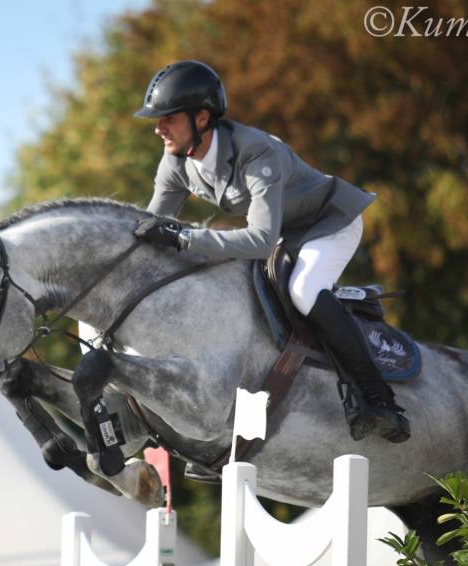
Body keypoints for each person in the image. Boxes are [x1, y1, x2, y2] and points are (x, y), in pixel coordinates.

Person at [132, 60, 410, 463]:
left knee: (302, 289)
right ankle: (240, 438)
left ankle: (380, 401)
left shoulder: (255, 150)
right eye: (158, 120)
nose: (159, 129)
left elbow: (260, 240)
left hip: (329, 222)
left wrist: (185, 237)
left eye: (168, 119)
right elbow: (151, 227)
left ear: (202, 117)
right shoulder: (175, 163)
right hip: (286, 234)